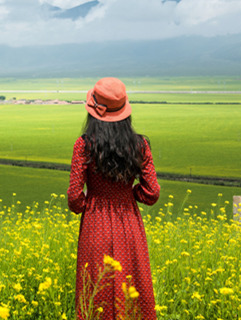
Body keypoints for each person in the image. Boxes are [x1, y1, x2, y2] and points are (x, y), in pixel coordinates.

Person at [67, 77, 160, 320]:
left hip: (94, 225)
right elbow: (152, 193)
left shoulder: (84, 145)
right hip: (129, 223)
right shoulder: (140, 145)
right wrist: (129, 195)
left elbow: (74, 198)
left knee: (96, 289)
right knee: (132, 286)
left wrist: (92, 202)